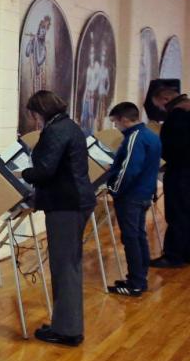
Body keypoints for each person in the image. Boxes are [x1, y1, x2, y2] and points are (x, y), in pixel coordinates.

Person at [21, 90, 96, 346]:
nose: (32, 120)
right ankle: (67, 325)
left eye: (32, 115)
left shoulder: (55, 130)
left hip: (66, 205)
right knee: (69, 265)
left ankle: (67, 331)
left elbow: (45, 170)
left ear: (38, 111)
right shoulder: (68, 125)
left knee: (64, 268)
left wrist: (23, 174)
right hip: (76, 202)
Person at [105, 102, 161, 296]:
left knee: (130, 238)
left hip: (131, 196)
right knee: (138, 236)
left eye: (115, 122)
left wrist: (113, 189)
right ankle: (139, 276)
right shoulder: (151, 136)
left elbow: (130, 170)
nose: (116, 127)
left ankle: (135, 282)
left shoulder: (134, 138)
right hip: (144, 194)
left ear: (124, 119)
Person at [149, 82, 190, 267]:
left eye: (159, 105)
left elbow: (172, 147)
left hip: (181, 173)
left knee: (176, 213)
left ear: (166, 99)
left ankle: (174, 255)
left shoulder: (178, 115)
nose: (160, 109)